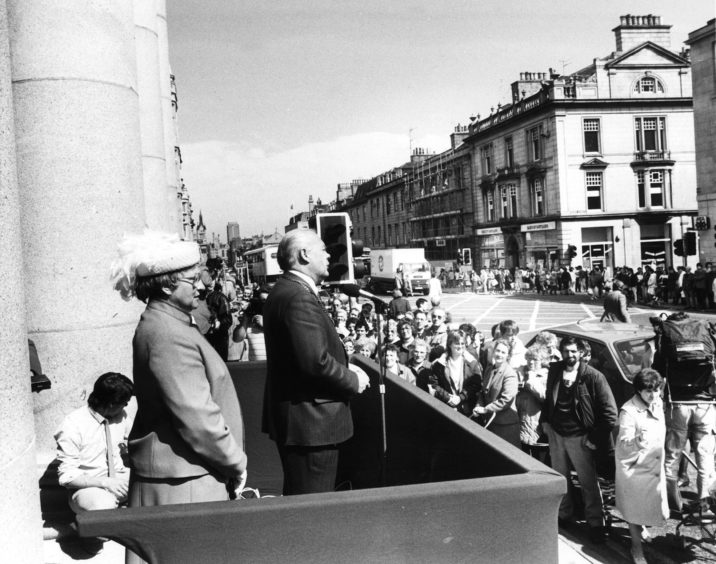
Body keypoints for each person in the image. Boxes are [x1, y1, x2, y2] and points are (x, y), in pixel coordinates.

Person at [110, 231, 248, 564]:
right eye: (192, 279)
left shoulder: (165, 324)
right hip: (184, 481)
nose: (201, 285)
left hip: (180, 478)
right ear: (167, 286)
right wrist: (235, 461)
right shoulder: (168, 334)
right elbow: (197, 417)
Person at [262, 230, 370, 495]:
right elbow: (315, 363)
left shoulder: (286, 290)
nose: (329, 254)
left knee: (302, 503)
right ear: (304, 255)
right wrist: (353, 380)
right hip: (311, 427)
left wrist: (344, 364)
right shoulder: (298, 296)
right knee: (312, 509)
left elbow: (306, 354)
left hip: (302, 424)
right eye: (323, 249)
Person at [540, 336, 617, 543]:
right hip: (557, 435)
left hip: (579, 437)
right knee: (561, 479)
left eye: (574, 351)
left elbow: (610, 414)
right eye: (566, 351)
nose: (570, 355)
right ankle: (564, 515)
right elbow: (549, 399)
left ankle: (595, 524)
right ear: (561, 351)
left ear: (581, 353)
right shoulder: (555, 370)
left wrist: (594, 439)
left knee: (588, 483)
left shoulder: (593, 377)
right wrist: (546, 423)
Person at [55, 372, 134, 514]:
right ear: (111, 404)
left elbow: (133, 441)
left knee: (155, 486)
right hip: (89, 487)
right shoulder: (73, 425)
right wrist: (106, 482)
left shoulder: (121, 416)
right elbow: (67, 477)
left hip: (119, 478)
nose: (126, 407)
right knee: (102, 504)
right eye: (124, 403)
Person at [615, 369, 668, 564]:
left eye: (656, 390)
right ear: (638, 391)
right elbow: (624, 443)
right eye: (648, 391)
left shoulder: (658, 403)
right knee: (634, 512)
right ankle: (636, 549)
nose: (653, 395)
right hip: (634, 469)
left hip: (653, 465)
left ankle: (641, 528)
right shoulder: (628, 411)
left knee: (647, 508)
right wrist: (638, 440)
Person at [473, 339, 520, 448]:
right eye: (498, 351)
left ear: (508, 355)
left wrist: (485, 409)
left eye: (503, 352)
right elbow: (483, 392)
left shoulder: (510, 374)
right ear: (493, 352)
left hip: (505, 427)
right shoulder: (489, 369)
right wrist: (478, 406)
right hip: (491, 423)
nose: (499, 354)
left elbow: (506, 400)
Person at [429, 331, 482, 416]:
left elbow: (477, 385)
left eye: (462, 343)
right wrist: (448, 398)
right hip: (445, 407)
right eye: (457, 343)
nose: (460, 346)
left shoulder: (472, 362)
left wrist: (460, 398)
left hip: (467, 408)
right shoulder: (439, 364)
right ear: (449, 344)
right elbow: (434, 384)